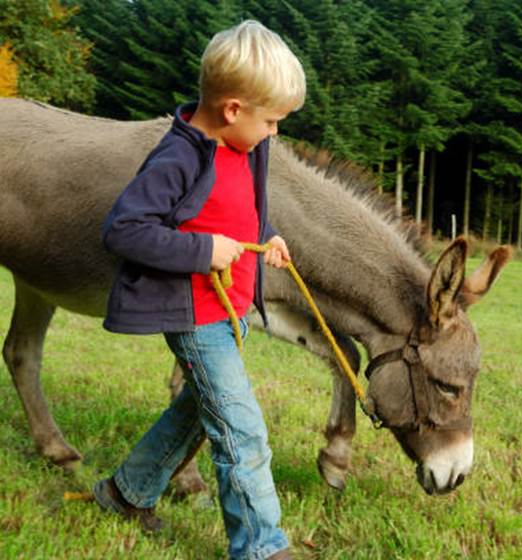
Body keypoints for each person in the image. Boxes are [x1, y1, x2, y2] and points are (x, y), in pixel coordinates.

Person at [93, 19, 306, 560]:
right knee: (243, 431)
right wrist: (203, 251)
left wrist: (267, 234)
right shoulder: (178, 158)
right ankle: (261, 547)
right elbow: (124, 229)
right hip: (193, 314)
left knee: (198, 410)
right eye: (273, 121)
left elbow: (243, 207)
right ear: (233, 109)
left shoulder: (246, 147)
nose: (274, 134)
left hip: (230, 310)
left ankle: (125, 492)